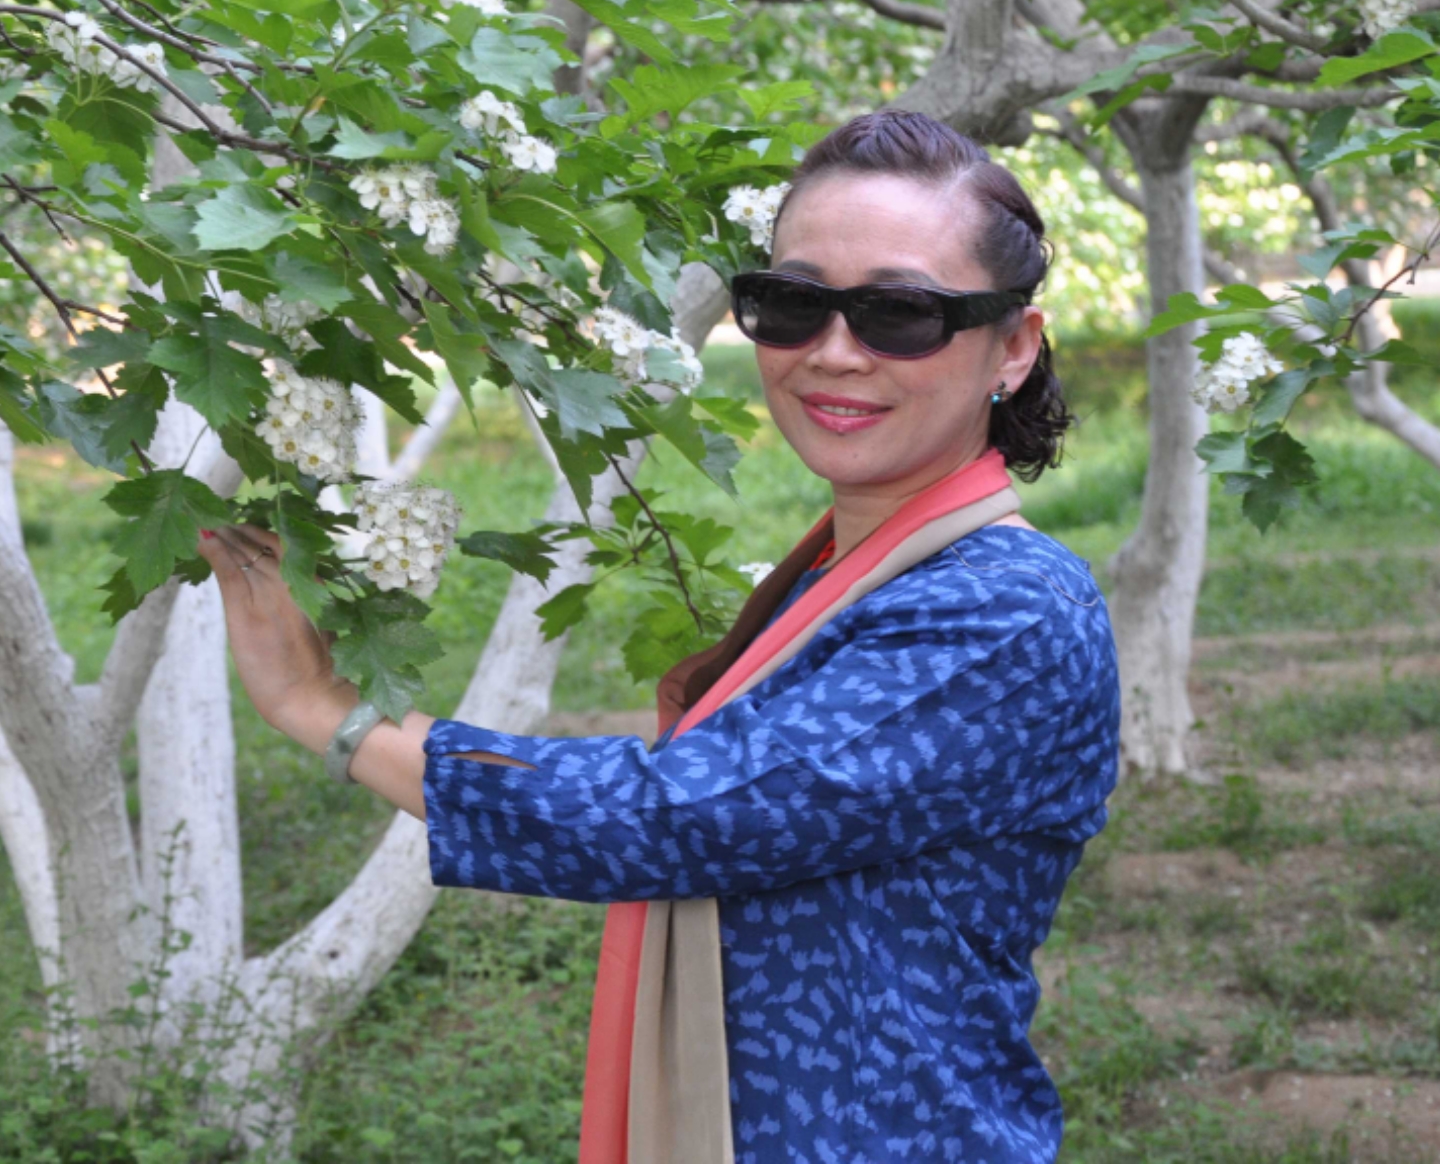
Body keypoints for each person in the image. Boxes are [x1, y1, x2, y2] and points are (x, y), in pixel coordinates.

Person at [200, 110, 1121, 1164]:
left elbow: (675, 816)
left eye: (898, 314)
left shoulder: (1007, 609)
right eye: (790, 303)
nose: (832, 352)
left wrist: (326, 711)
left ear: (1012, 346)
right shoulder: (851, 570)